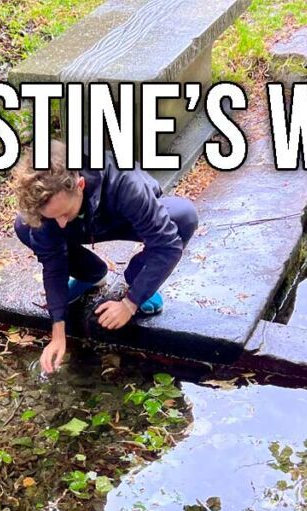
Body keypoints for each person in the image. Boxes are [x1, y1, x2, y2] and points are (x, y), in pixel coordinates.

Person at [12, 140, 198, 374]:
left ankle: (137, 276)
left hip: (121, 217)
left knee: (185, 217)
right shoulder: (51, 211)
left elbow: (167, 246)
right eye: (52, 217)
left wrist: (131, 303)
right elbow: (53, 265)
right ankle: (90, 273)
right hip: (80, 226)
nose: (59, 222)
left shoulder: (126, 183)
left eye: (63, 213)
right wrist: (58, 331)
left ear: (79, 184)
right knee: (25, 226)